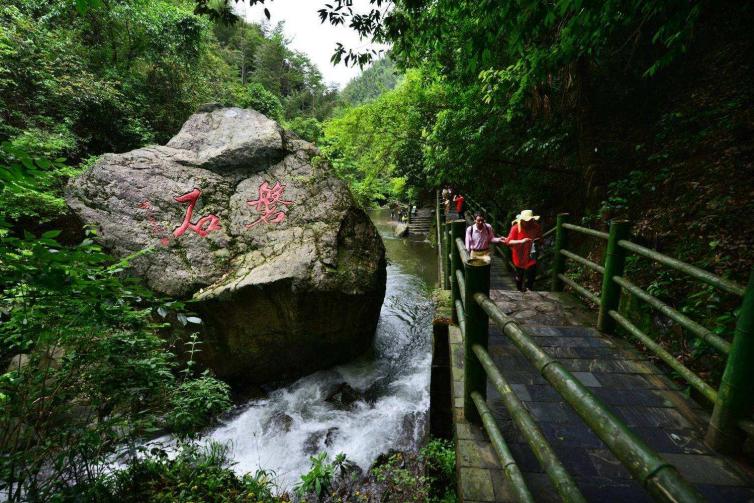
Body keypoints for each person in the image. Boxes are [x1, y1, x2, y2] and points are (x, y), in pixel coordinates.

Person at [504, 209, 542, 292]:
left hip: (531, 253)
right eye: (527, 221)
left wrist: (537, 241)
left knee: (532, 271)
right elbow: (508, 241)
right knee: (520, 275)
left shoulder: (536, 226)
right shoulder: (515, 228)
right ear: (522, 220)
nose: (529, 222)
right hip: (519, 255)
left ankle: (529, 289)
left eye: (531, 220)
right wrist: (521, 241)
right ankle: (519, 290)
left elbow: (539, 237)